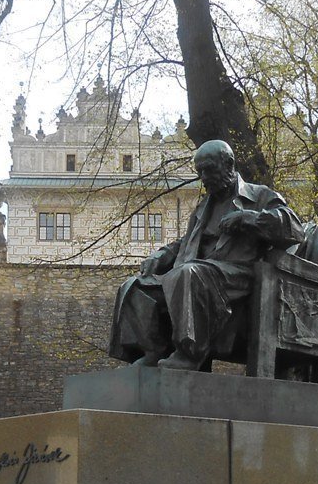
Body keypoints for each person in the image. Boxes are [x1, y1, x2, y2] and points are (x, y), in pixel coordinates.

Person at [109, 139, 304, 370]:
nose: (204, 177)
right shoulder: (204, 207)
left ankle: (190, 354)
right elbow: (187, 241)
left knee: (188, 273)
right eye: (199, 171)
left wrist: (248, 218)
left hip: (236, 275)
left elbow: (294, 227)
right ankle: (153, 351)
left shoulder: (258, 195)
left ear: (229, 163)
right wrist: (161, 255)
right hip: (195, 273)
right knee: (135, 287)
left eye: (209, 169)